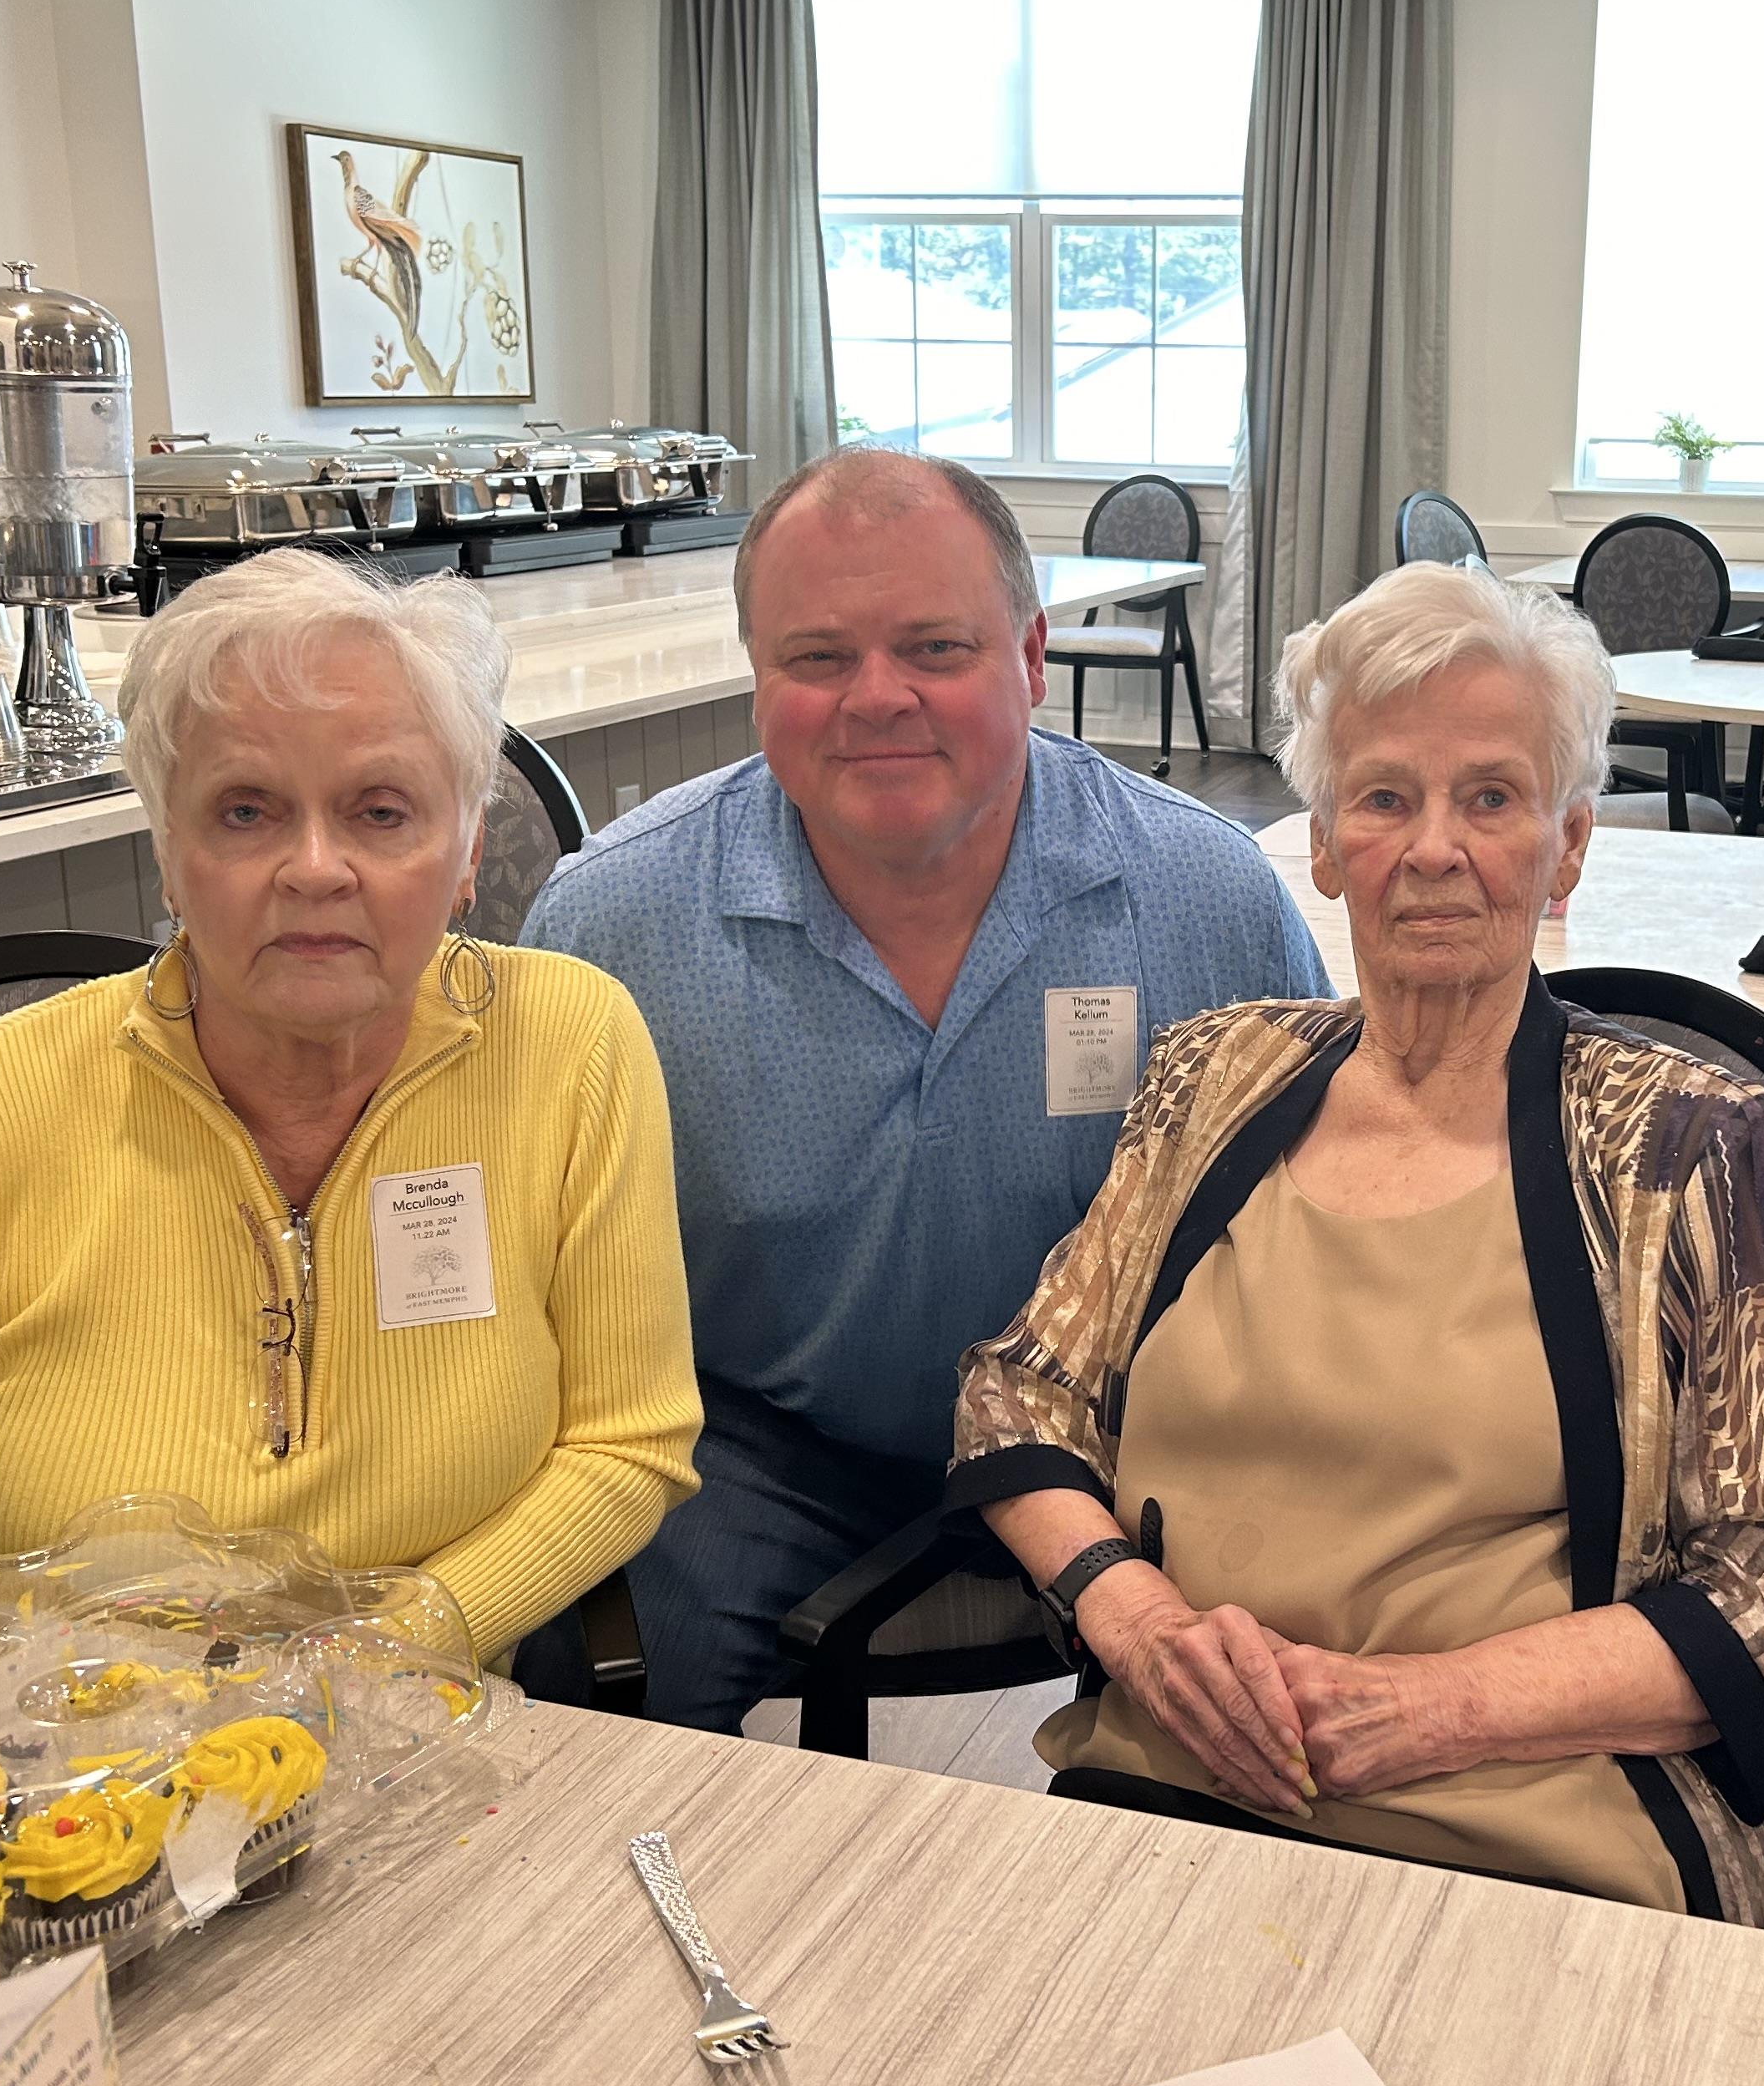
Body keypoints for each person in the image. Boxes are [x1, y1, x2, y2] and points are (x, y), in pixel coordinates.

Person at [946, 562, 1764, 1920]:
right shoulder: (1212, 1079)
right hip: (1173, 1787)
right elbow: (1018, 1392)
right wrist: (1131, 1619)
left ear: (1568, 843)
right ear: (1324, 845)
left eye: (1490, 798)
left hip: (1542, 1832)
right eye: (1384, 798)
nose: (1434, 847)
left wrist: (1417, 1713)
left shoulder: (1689, 1142)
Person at [0, 553, 702, 1666]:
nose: (316, 868)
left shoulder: (570, 1046)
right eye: (246, 811)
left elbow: (627, 1441)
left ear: (470, 846)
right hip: (50, 1775)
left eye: (381, 812)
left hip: (431, 1737)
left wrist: (399, 1650)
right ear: (168, 849)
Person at [522, 449, 1325, 1730]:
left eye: (936, 649)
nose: (876, 698)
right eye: (818, 657)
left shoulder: (1207, 898)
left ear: (1030, 659)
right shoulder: (613, 927)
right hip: (758, 1443)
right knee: (588, 1687)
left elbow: (1310, 1236)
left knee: (1270, 1701)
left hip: (1122, 1435)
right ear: (757, 676)